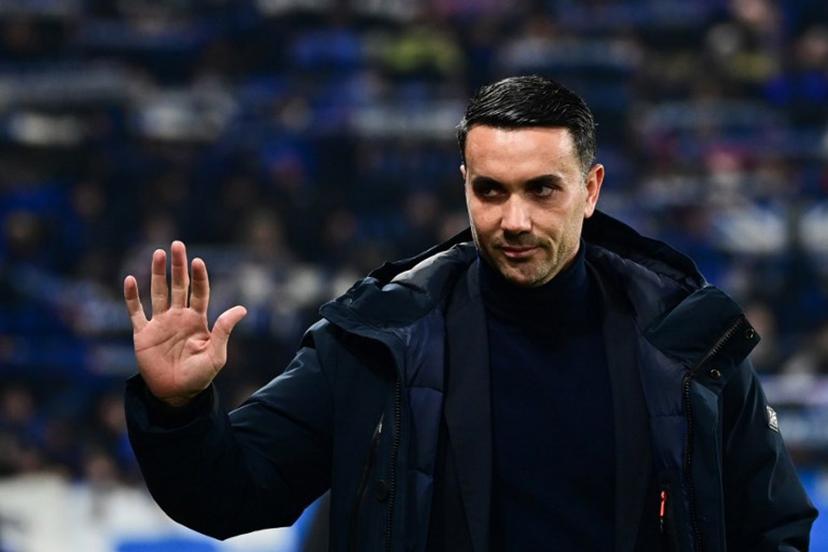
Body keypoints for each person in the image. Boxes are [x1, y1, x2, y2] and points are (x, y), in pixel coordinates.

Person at [123, 75, 817, 552]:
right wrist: (179, 410)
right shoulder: (373, 342)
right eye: (491, 190)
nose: (514, 218)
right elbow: (231, 495)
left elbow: (775, 527)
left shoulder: (691, 343)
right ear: (464, 187)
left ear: (591, 189)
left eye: (543, 189)